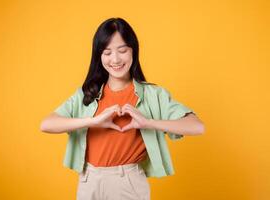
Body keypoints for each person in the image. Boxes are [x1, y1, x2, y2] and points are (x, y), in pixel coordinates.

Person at [40, 17, 204, 200]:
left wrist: (148, 123)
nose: (115, 59)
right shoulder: (87, 94)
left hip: (128, 182)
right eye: (107, 52)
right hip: (88, 181)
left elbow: (197, 126)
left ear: (133, 51)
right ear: (98, 56)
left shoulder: (153, 94)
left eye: (122, 50)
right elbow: (47, 124)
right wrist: (94, 121)